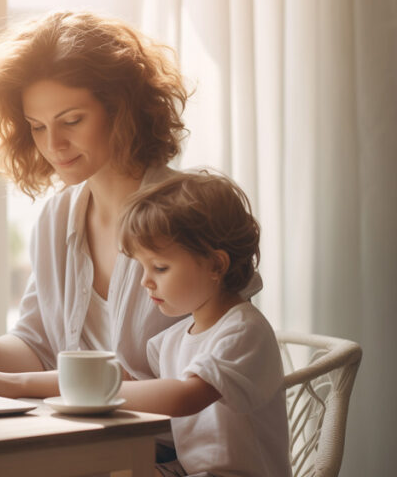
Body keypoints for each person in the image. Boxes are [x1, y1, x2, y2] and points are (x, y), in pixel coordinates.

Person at [0, 10, 261, 397]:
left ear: (121, 110)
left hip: (167, 444)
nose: (53, 145)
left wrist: (10, 384)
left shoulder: (192, 214)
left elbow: (199, 368)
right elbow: (39, 346)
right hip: (81, 434)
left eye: (72, 120)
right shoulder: (57, 217)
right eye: (37, 126)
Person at [116, 171, 290, 477]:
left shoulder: (244, 330)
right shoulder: (172, 341)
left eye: (159, 267)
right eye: (142, 267)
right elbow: (130, 385)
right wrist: (19, 384)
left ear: (216, 264)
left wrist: (91, 395)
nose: (145, 281)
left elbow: (184, 397)